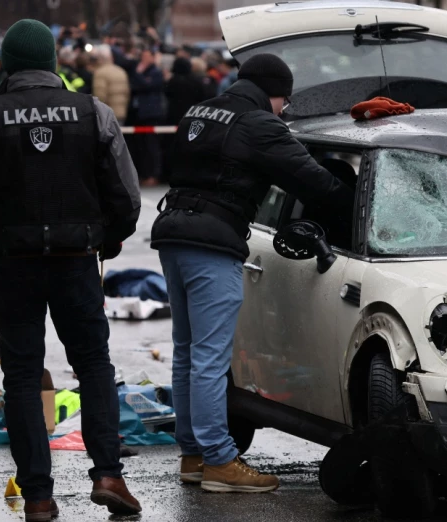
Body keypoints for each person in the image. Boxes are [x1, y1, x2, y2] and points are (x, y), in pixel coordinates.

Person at [0, 19, 142, 521]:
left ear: (6, 65)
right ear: (54, 63)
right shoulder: (93, 112)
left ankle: (37, 496)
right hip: (77, 259)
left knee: (22, 375)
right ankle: (108, 475)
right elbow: (126, 195)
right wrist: (111, 235)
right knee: (93, 365)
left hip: (11, 261)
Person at [150, 53, 354, 494]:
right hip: (212, 241)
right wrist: (352, 202)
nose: (284, 110)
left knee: (187, 352)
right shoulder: (259, 123)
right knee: (209, 356)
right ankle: (220, 461)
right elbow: (312, 181)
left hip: (173, 234)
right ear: (276, 93)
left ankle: (193, 455)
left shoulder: (200, 110)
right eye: (285, 101)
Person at [163, 57, 207, 180]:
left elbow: (167, 95)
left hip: (174, 118)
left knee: (173, 146)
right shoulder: (196, 81)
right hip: (193, 118)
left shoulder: (172, 81)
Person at [128, 46, 166, 186]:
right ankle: (144, 173)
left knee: (152, 146)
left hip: (152, 113)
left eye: (146, 56)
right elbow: (135, 86)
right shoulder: (142, 72)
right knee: (142, 146)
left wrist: (138, 74)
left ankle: (153, 174)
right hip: (140, 113)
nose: (143, 59)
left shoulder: (155, 72)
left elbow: (146, 86)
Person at [92, 44, 130, 124]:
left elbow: (100, 97)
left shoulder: (100, 73)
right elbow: (127, 94)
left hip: (107, 115)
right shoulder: (121, 71)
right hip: (121, 112)